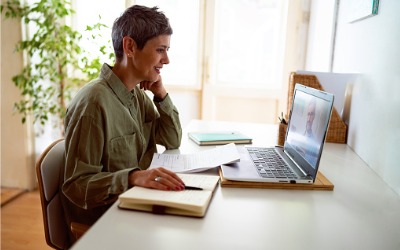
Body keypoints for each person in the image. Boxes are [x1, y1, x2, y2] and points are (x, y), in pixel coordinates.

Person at [61, 5, 184, 244]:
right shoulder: (93, 104)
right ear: (130, 47)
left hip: (136, 206)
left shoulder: (136, 94)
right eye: (160, 50)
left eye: (167, 50)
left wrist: (161, 95)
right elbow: (76, 185)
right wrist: (131, 177)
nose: (166, 60)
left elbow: (172, 139)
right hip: (108, 223)